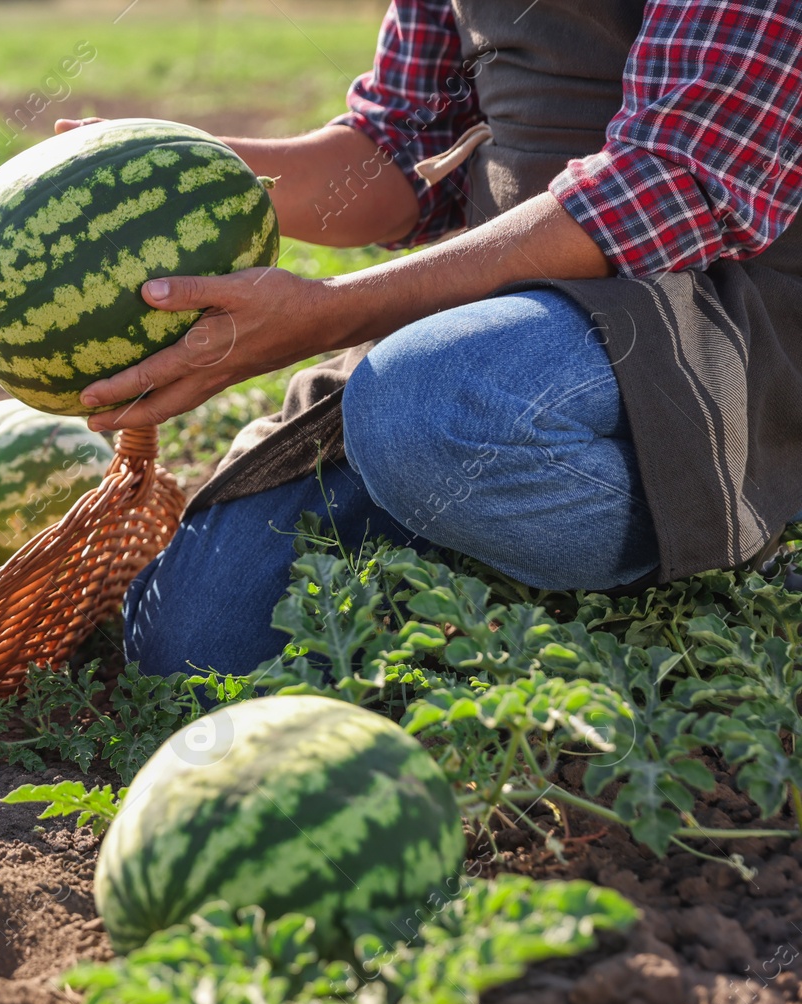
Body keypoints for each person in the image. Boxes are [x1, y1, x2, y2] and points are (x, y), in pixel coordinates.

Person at [57, 0, 802, 679]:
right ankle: (504, 542)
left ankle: (745, 523)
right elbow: (400, 145)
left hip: (709, 312)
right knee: (193, 647)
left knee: (422, 412)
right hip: (491, 317)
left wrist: (329, 312)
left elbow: (667, 181)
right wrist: (166, 177)